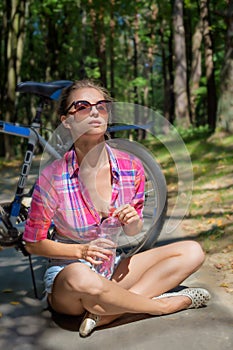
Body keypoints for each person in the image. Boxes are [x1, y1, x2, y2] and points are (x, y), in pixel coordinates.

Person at [23, 79, 210, 337]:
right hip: (69, 278)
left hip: (112, 270)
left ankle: (104, 312)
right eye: (82, 106)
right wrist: (81, 250)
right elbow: (33, 243)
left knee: (192, 251)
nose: (95, 112)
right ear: (66, 120)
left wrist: (132, 220)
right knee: (82, 278)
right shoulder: (52, 177)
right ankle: (161, 306)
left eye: (101, 106)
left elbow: (133, 231)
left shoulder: (130, 166)